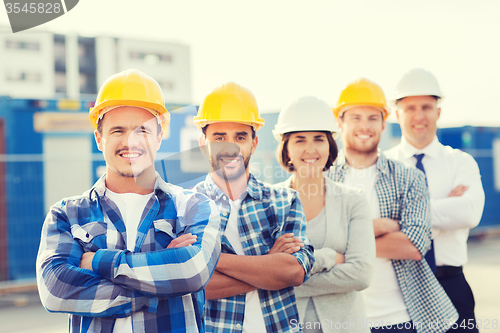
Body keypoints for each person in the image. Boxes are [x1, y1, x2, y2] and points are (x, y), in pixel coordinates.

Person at [36, 69, 221, 333]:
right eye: (118, 130)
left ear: (159, 137)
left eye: (142, 130)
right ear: (99, 138)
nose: (129, 141)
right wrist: (162, 281)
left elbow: (192, 270)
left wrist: (97, 261)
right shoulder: (67, 214)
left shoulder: (193, 207)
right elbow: (56, 289)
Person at [327, 78, 458, 333]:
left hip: (400, 319)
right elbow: (313, 243)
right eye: (355, 117)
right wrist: (379, 227)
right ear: (339, 122)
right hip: (340, 319)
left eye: (372, 118)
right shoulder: (323, 180)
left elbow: (413, 246)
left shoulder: (409, 178)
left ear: (384, 123)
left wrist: (340, 247)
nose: (364, 126)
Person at [192, 82, 315, 333]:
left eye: (240, 137)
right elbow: (193, 285)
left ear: (254, 143)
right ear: (203, 143)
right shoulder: (185, 208)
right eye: (219, 137)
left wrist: (209, 259)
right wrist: (268, 265)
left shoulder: (285, 201)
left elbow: (294, 272)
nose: (231, 147)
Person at [385, 68, 485, 332]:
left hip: (451, 285)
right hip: (397, 288)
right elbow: (368, 224)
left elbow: (469, 213)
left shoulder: (460, 162)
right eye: (410, 108)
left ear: (438, 112)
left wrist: (401, 219)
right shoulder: (382, 166)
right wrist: (443, 213)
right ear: (397, 114)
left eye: (426, 107)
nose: (419, 116)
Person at [273, 96, 375, 333]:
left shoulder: (353, 200)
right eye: (300, 140)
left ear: (330, 146)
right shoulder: (268, 203)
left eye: (319, 139)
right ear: (286, 148)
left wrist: (288, 275)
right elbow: (263, 276)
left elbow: (361, 274)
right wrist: (328, 257)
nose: (310, 149)